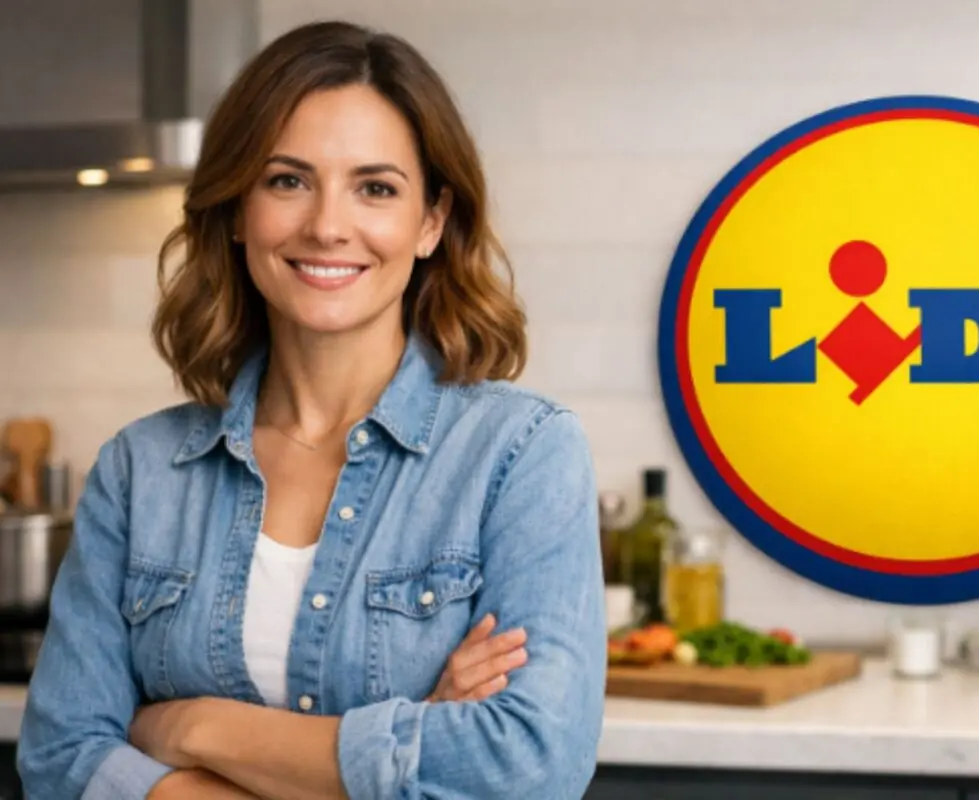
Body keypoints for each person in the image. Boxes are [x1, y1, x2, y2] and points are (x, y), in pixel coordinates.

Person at [16, 19, 607, 800]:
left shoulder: (521, 453)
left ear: (430, 222)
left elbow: (530, 763)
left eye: (376, 188)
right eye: (287, 180)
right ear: (235, 210)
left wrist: (190, 729)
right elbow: (60, 758)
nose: (328, 225)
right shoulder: (140, 471)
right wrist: (405, 745)